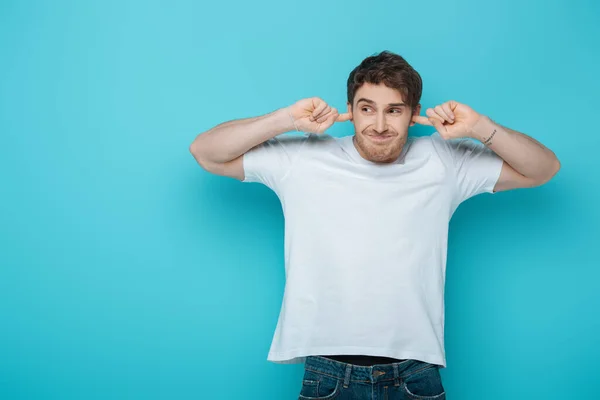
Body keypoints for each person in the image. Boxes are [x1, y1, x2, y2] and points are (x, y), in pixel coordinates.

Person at [189, 50, 560, 399]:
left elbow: (543, 169)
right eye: (367, 109)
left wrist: (480, 127)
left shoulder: (444, 160)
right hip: (327, 374)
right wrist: (285, 119)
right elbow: (207, 152)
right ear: (350, 110)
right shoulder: (301, 158)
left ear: (413, 114)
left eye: (394, 110)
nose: (380, 125)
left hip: (417, 373)